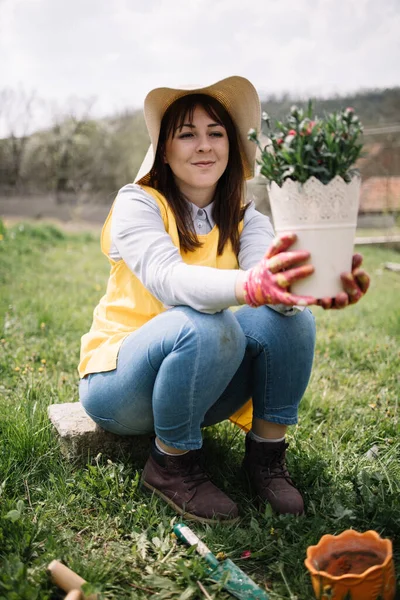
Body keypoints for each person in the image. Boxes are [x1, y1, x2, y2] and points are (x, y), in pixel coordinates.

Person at [78, 76, 369, 524]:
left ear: (232, 145)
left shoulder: (247, 217)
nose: (204, 146)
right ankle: (171, 466)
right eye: (187, 133)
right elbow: (168, 279)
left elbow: (269, 283)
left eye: (216, 133)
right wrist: (251, 287)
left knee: (291, 320)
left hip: (197, 380)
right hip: (120, 383)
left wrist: (309, 288)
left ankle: (265, 460)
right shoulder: (137, 203)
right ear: (163, 148)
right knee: (205, 321)